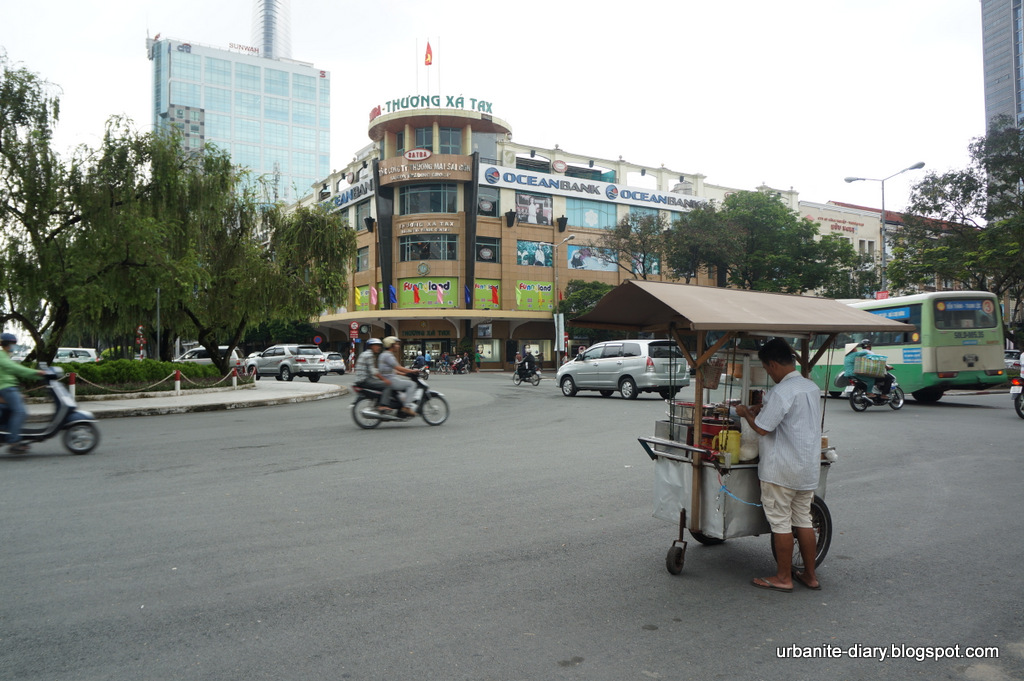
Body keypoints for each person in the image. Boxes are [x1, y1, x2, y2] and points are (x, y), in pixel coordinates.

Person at [734, 338, 822, 592]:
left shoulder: (781, 391)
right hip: (806, 467)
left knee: (781, 523)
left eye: (766, 369)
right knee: (803, 519)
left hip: (781, 470)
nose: (769, 374)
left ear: (772, 364)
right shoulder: (810, 387)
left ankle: (784, 578)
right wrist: (763, 407)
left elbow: (762, 428)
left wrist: (746, 413)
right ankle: (810, 575)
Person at [0, 333, 47, 454]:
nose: (14, 346)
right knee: (20, 412)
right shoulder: (2, 356)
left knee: (15, 409)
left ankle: (9, 432)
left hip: (9, 388)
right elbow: (17, 369)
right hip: (6, 388)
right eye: (13, 344)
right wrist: (36, 373)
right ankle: (14, 441)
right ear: (7, 344)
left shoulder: (5, 356)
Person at [380, 337, 417, 416]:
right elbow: (398, 367)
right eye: (396, 344)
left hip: (387, 378)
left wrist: (404, 374)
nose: (398, 346)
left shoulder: (383, 354)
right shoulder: (388, 356)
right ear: (391, 345)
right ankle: (406, 407)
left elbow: (391, 370)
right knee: (412, 384)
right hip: (390, 380)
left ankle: (400, 405)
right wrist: (412, 371)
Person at [353, 338, 391, 413]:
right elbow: (373, 371)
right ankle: (383, 406)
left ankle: (377, 403)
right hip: (364, 380)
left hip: (361, 379)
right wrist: (384, 379)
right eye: (376, 345)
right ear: (371, 346)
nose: (379, 347)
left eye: (379, 346)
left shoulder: (364, 354)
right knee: (387, 385)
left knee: (379, 383)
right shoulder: (369, 355)